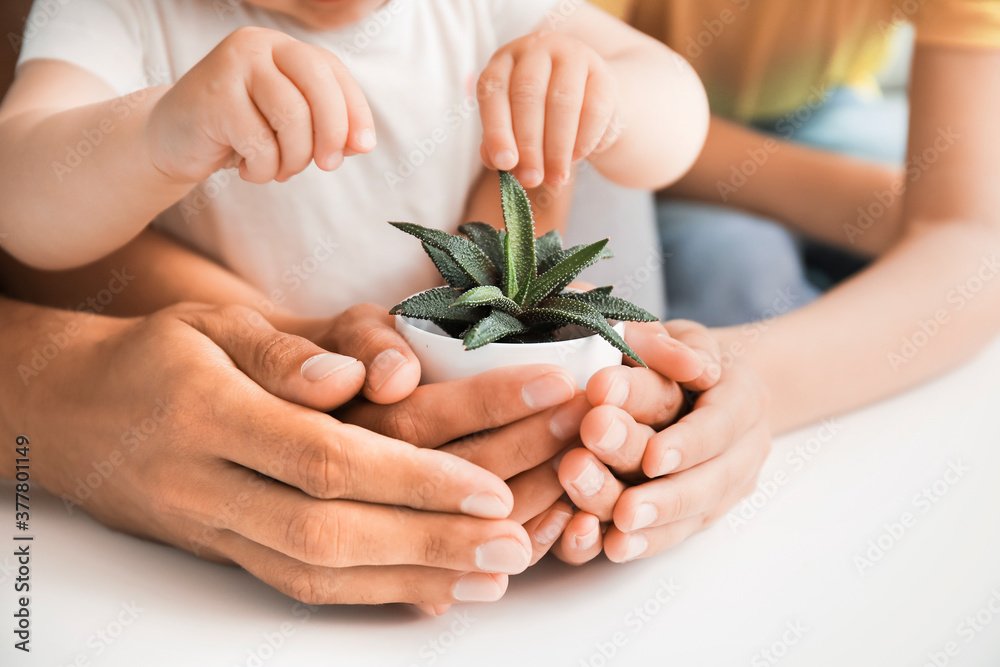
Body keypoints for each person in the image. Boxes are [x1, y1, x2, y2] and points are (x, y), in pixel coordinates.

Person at [0, 0, 772, 609]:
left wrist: (606, 95)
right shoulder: (117, 11)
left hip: (471, 377)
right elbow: (21, 193)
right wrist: (160, 133)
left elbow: (674, 105)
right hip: (280, 415)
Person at [583, 0, 1000, 434]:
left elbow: (972, 235)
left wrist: (933, 218)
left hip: (824, 105)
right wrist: (875, 207)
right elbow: (609, 118)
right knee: (743, 276)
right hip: (636, 144)